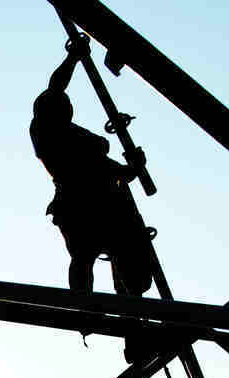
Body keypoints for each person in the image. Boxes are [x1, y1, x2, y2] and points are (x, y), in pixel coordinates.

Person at [30, 40, 153, 302]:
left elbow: (110, 170)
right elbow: (56, 88)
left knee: (119, 258)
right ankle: (87, 306)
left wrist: (132, 167)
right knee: (87, 256)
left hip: (102, 199)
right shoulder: (47, 134)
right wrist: (72, 59)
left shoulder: (69, 133)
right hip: (81, 202)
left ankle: (127, 311)